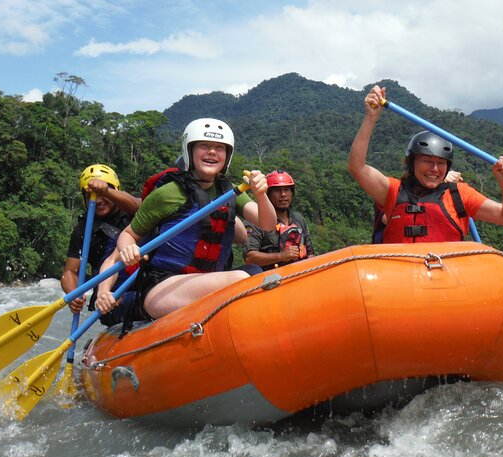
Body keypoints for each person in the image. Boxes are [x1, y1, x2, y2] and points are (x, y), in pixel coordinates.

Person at [96, 118, 276, 322]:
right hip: (163, 287)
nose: (212, 152)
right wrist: (106, 286)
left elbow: (268, 225)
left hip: (207, 281)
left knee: (255, 272)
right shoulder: (167, 194)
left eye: (219, 148)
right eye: (204, 146)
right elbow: (127, 236)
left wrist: (262, 195)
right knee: (243, 279)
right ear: (189, 151)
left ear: (227, 156)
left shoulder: (230, 191)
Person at [349, 85, 503, 243]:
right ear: (412, 163)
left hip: (445, 274)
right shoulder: (393, 191)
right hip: (402, 274)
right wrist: (370, 118)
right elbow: (357, 167)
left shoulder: (460, 195)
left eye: (441, 163)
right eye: (427, 161)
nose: (435, 169)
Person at [60, 164, 142, 318]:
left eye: (101, 194)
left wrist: (106, 191)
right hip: (109, 295)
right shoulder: (83, 229)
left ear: (115, 191)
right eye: (91, 196)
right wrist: (73, 294)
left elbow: (138, 205)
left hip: (141, 279)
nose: (98, 200)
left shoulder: (132, 208)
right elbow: (70, 271)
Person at [243, 170, 315, 270]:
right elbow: (249, 258)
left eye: (286, 190)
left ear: (292, 193)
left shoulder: (299, 220)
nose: (283, 194)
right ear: (268, 194)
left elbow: (310, 253)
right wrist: (281, 256)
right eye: (277, 190)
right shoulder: (255, 220)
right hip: (268, 279)